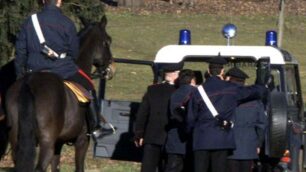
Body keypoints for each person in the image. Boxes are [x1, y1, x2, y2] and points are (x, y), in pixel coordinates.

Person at [14, 0, 106, 139]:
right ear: (59, 1)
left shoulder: (30, 21)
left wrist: (20, 75)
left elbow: (20, 50)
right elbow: (74, 52)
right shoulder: (67, 23)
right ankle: (95, 127)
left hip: (34, 69)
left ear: (44, 1)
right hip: (62, 69)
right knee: (88, 85)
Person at [186, 57, 267, 172]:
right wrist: (262, 79)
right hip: (222, 137)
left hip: (201, 138)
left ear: (208, 71)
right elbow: (257, 91)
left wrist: (191, 133)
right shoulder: (231, 89)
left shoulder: (197, 91)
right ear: (222, 71)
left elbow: (190, 119)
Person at [134, 62, 183, 172]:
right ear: (175, 74)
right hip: (171, 138)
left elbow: (142, 113)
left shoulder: (152, 90)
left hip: (152, 136)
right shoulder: (179, 91)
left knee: (148, 168)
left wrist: (139, 133)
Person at [225, 67, 268, 172]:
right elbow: (261, 124)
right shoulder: (255, 101)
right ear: (243, 82)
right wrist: (258, 143)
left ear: (230, 79)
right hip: (249, 144)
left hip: (228, 143)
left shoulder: (225, 97)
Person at [165, 69, 197, 172]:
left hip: (175, 138)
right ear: (192, 80)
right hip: (192, 139)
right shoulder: (196, 92)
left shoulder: (175, 93)